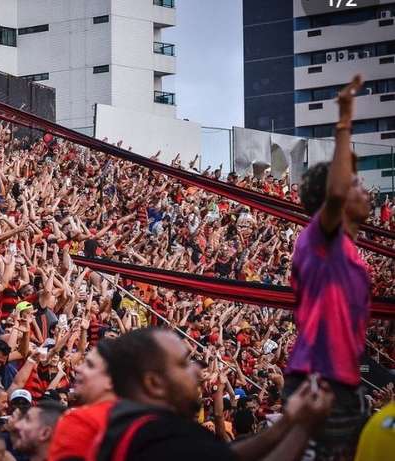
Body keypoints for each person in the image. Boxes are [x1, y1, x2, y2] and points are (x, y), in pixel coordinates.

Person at [94, 328, 335, 461]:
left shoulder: (132, 424)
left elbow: (224, 456)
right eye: (182, 364)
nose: (196, 371)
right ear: (153, 383)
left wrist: (288, 424)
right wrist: (304, 428)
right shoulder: (155, 438)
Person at [289, 75, 371, 460]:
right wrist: (345, 117)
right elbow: (337, 192)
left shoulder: (349, 253)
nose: (364, 190)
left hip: (344, 380)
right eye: (356, 183)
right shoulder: (320, 239)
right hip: (318, 379)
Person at [48, 341, 116, 461]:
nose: (79, 368)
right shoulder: (137, 417)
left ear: (111, 379)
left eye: (90, 365)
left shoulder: (78, 420)